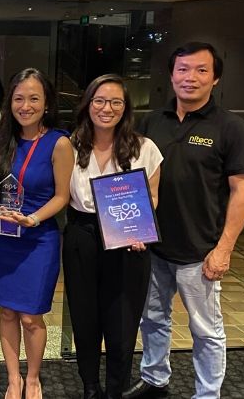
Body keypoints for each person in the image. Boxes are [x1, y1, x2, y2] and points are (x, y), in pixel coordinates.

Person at [125, 43, 244, 399]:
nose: (190, 78)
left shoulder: (230, 127)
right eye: (183, 69)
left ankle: (207, 394)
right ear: (171, 75)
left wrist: (224, 248)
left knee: (205, 329)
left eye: (200, 70)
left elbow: (242, 190)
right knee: (152, 318)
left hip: (201, 250)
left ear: (215, 78)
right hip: (153, 246)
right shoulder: (151, 121)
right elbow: (132, 178)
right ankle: (154, 379)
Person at [63, 74, 162, 399]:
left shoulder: (145, 148)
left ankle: (116, 390)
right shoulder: (70, 146)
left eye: (116, 102)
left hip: (128, 243)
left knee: (121, 326)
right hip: (82, 237)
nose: (107, 108)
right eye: (100, 101)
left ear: (126, 107)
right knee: (85, 320)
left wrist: (141, 230)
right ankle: (91, 387)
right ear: (88, 104)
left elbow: (152, 196)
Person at [0, 68, 73, 399]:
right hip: (2, 238)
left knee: (31, 316)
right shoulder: (2, 140)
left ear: (47, 103)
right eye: (19, 98)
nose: (26, 105)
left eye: (34, 98)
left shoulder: (59, 142)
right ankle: (13, 378)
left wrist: (33, 219)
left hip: (38, 240)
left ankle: (33, 377)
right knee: (7, 311)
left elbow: (62, 196)